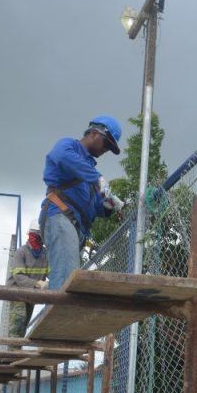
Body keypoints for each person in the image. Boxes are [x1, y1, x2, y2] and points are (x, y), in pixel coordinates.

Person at [40, 116, 125, 290]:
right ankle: (58, 307)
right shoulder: (69, 146)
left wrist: (109, 204)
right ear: (94, 133)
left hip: (76, 228)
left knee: (68, 279)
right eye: (106, 144)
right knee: (65, 278)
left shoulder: (89, 171)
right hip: (60, 215)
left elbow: (97, 208)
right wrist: (97, 178)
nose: (106, 150)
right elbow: (61, 156)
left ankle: (58, 304)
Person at [6, 220, 50, 337]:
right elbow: (19, 277)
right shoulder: (21, 252)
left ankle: (17, 347)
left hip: (31, 295)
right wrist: (37, 283)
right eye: (34, 235)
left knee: (23, 326)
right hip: (17, 292)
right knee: (18, 320)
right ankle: (12, 348)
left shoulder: (45, 255)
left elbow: (52, 273)